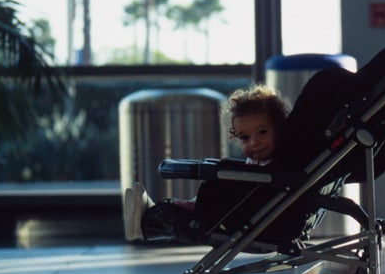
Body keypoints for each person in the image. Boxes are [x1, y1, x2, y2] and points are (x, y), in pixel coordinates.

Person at [123, 84, 290, 243]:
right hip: (238, 214)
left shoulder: (277, 165)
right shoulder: (265, 163)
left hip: (241, 217)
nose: (254, 142)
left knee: (190, 209)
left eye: (262, 132)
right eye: (245, 138)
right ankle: (147, 220)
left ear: (281, 128)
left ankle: (147, 222)